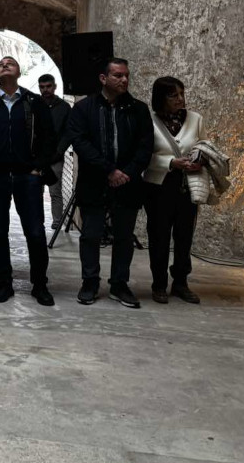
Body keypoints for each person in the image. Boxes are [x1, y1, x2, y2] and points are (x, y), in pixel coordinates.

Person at [0, 57, 57, 306]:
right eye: (0, 64)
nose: (5, 65)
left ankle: (39, 284)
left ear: (19, 72)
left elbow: (49, 138)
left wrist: (39, 166)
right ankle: (4, 282)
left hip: (27, 176)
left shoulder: (33, 102)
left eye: (10, 63)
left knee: (35, 232)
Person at [67, 57, 153, 308]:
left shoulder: (139, 109)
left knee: (124, 237)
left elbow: (145, 146)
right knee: (91, 235)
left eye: (126, 75)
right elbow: (80, 143)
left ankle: (119, 284)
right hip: (94, 182)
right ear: (103, 78)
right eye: (118, 75)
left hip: (127, 183)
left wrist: (127, 173)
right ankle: (90, 282)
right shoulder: (83, 108)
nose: (124, 80)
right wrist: (109, 170)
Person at [144, 76, 205, 305]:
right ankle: (159, 284)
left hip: (187, 186)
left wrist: (200, 160)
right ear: (161, 98)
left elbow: (204, 146)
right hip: (159, 187)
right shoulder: (148, 122)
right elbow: (143, 155)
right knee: (159, 237)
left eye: (181, 94)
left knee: (184, 236)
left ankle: (180, 282)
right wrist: (170, 162)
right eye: (173, 95)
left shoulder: (196, 119)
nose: (180, 99)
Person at [38, 73, 73, 229]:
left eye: (48, 86)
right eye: (42, 87)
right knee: (36, 191)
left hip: (55, 157)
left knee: (55, 191)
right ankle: (37, 220)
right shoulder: (35, 105)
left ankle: (57, 222)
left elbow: (68, 132)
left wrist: (59, 152)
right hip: (38, 158)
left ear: (54, 87)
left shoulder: (64, 107)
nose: (45, 90)